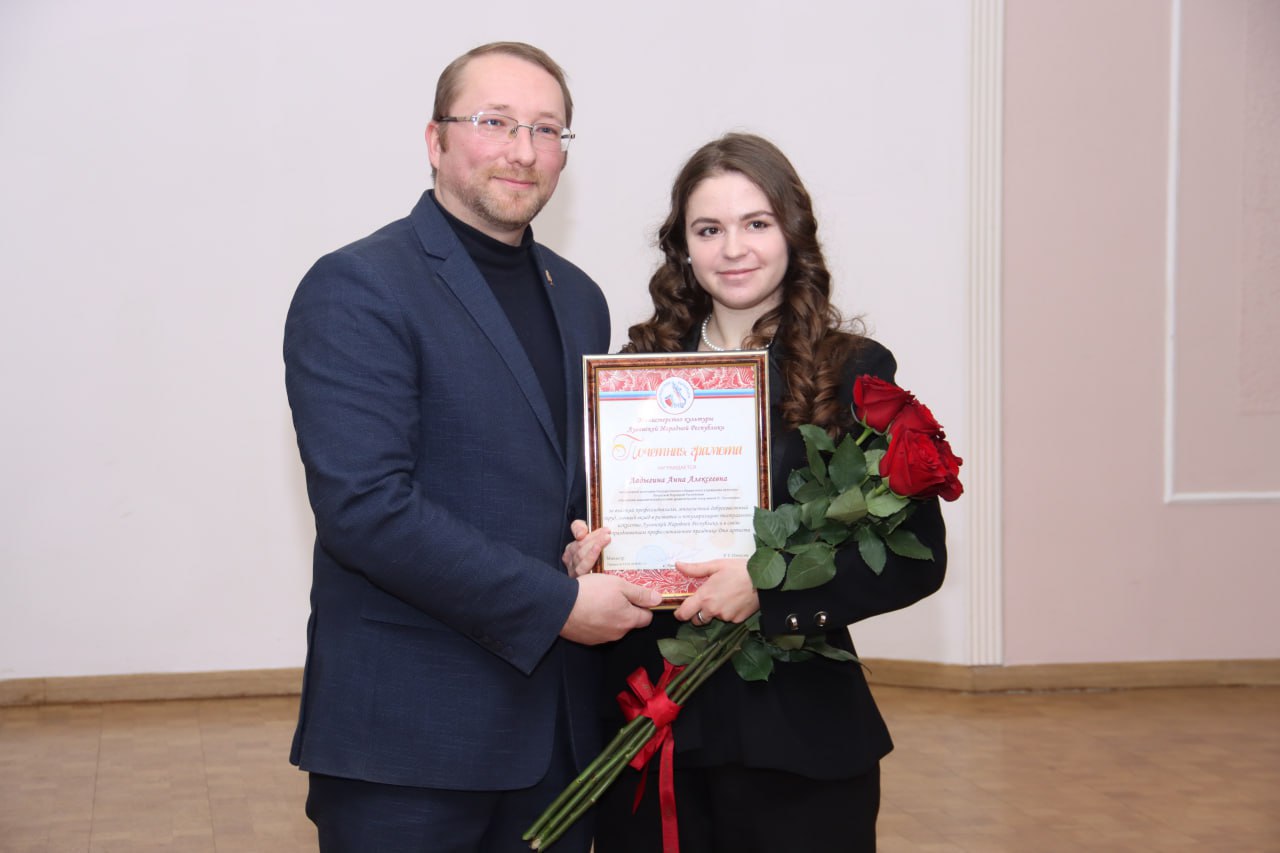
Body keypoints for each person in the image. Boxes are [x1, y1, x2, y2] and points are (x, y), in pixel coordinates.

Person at [283, 41, 661, 853]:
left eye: (547, 129)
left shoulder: (581, 298)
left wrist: (597, 546)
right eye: (495, 122)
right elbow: (366, 509)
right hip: (410, 741)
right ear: (436, 139)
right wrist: (559, 604)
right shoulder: (359, 285)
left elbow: (561, 486)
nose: (523, 150)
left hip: (556, 742)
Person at [563, 133, 948, 852]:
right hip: (651, 727)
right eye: (709, 229)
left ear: (792, 234)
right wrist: (587, 555)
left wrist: (768, 589)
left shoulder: (851, 371)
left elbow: (916, 557)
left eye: (756, 223)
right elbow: (590, 525)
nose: (733, 248)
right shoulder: (632, 373)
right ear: (682, 247)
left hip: (794, 740)